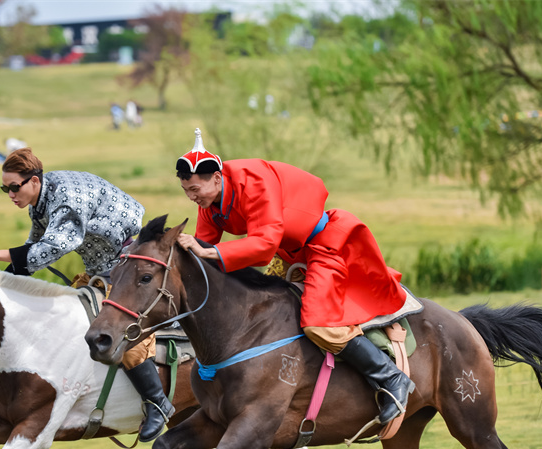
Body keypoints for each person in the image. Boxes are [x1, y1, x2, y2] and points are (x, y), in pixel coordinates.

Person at [175, 129, 414, 426]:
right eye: (187, 191)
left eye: (195, 190)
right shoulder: (210, 203)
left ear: (217, 178)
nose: (191, 197)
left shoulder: (255, 182)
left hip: (324, 246)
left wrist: (210, 253)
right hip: (288, 254)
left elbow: (262, 246)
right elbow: (203, 250)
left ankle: (393, 380)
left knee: (317, 324)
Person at [0, 147, 173, 441]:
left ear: (34, 181)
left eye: (15, 187)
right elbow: (34, 253)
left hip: (130, 261)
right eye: (5, 188)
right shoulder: (38, 205)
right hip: (102, 265)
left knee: (115, 326)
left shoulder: (65, 197)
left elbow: (55, 247)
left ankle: (157, 402)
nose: (11, 194)